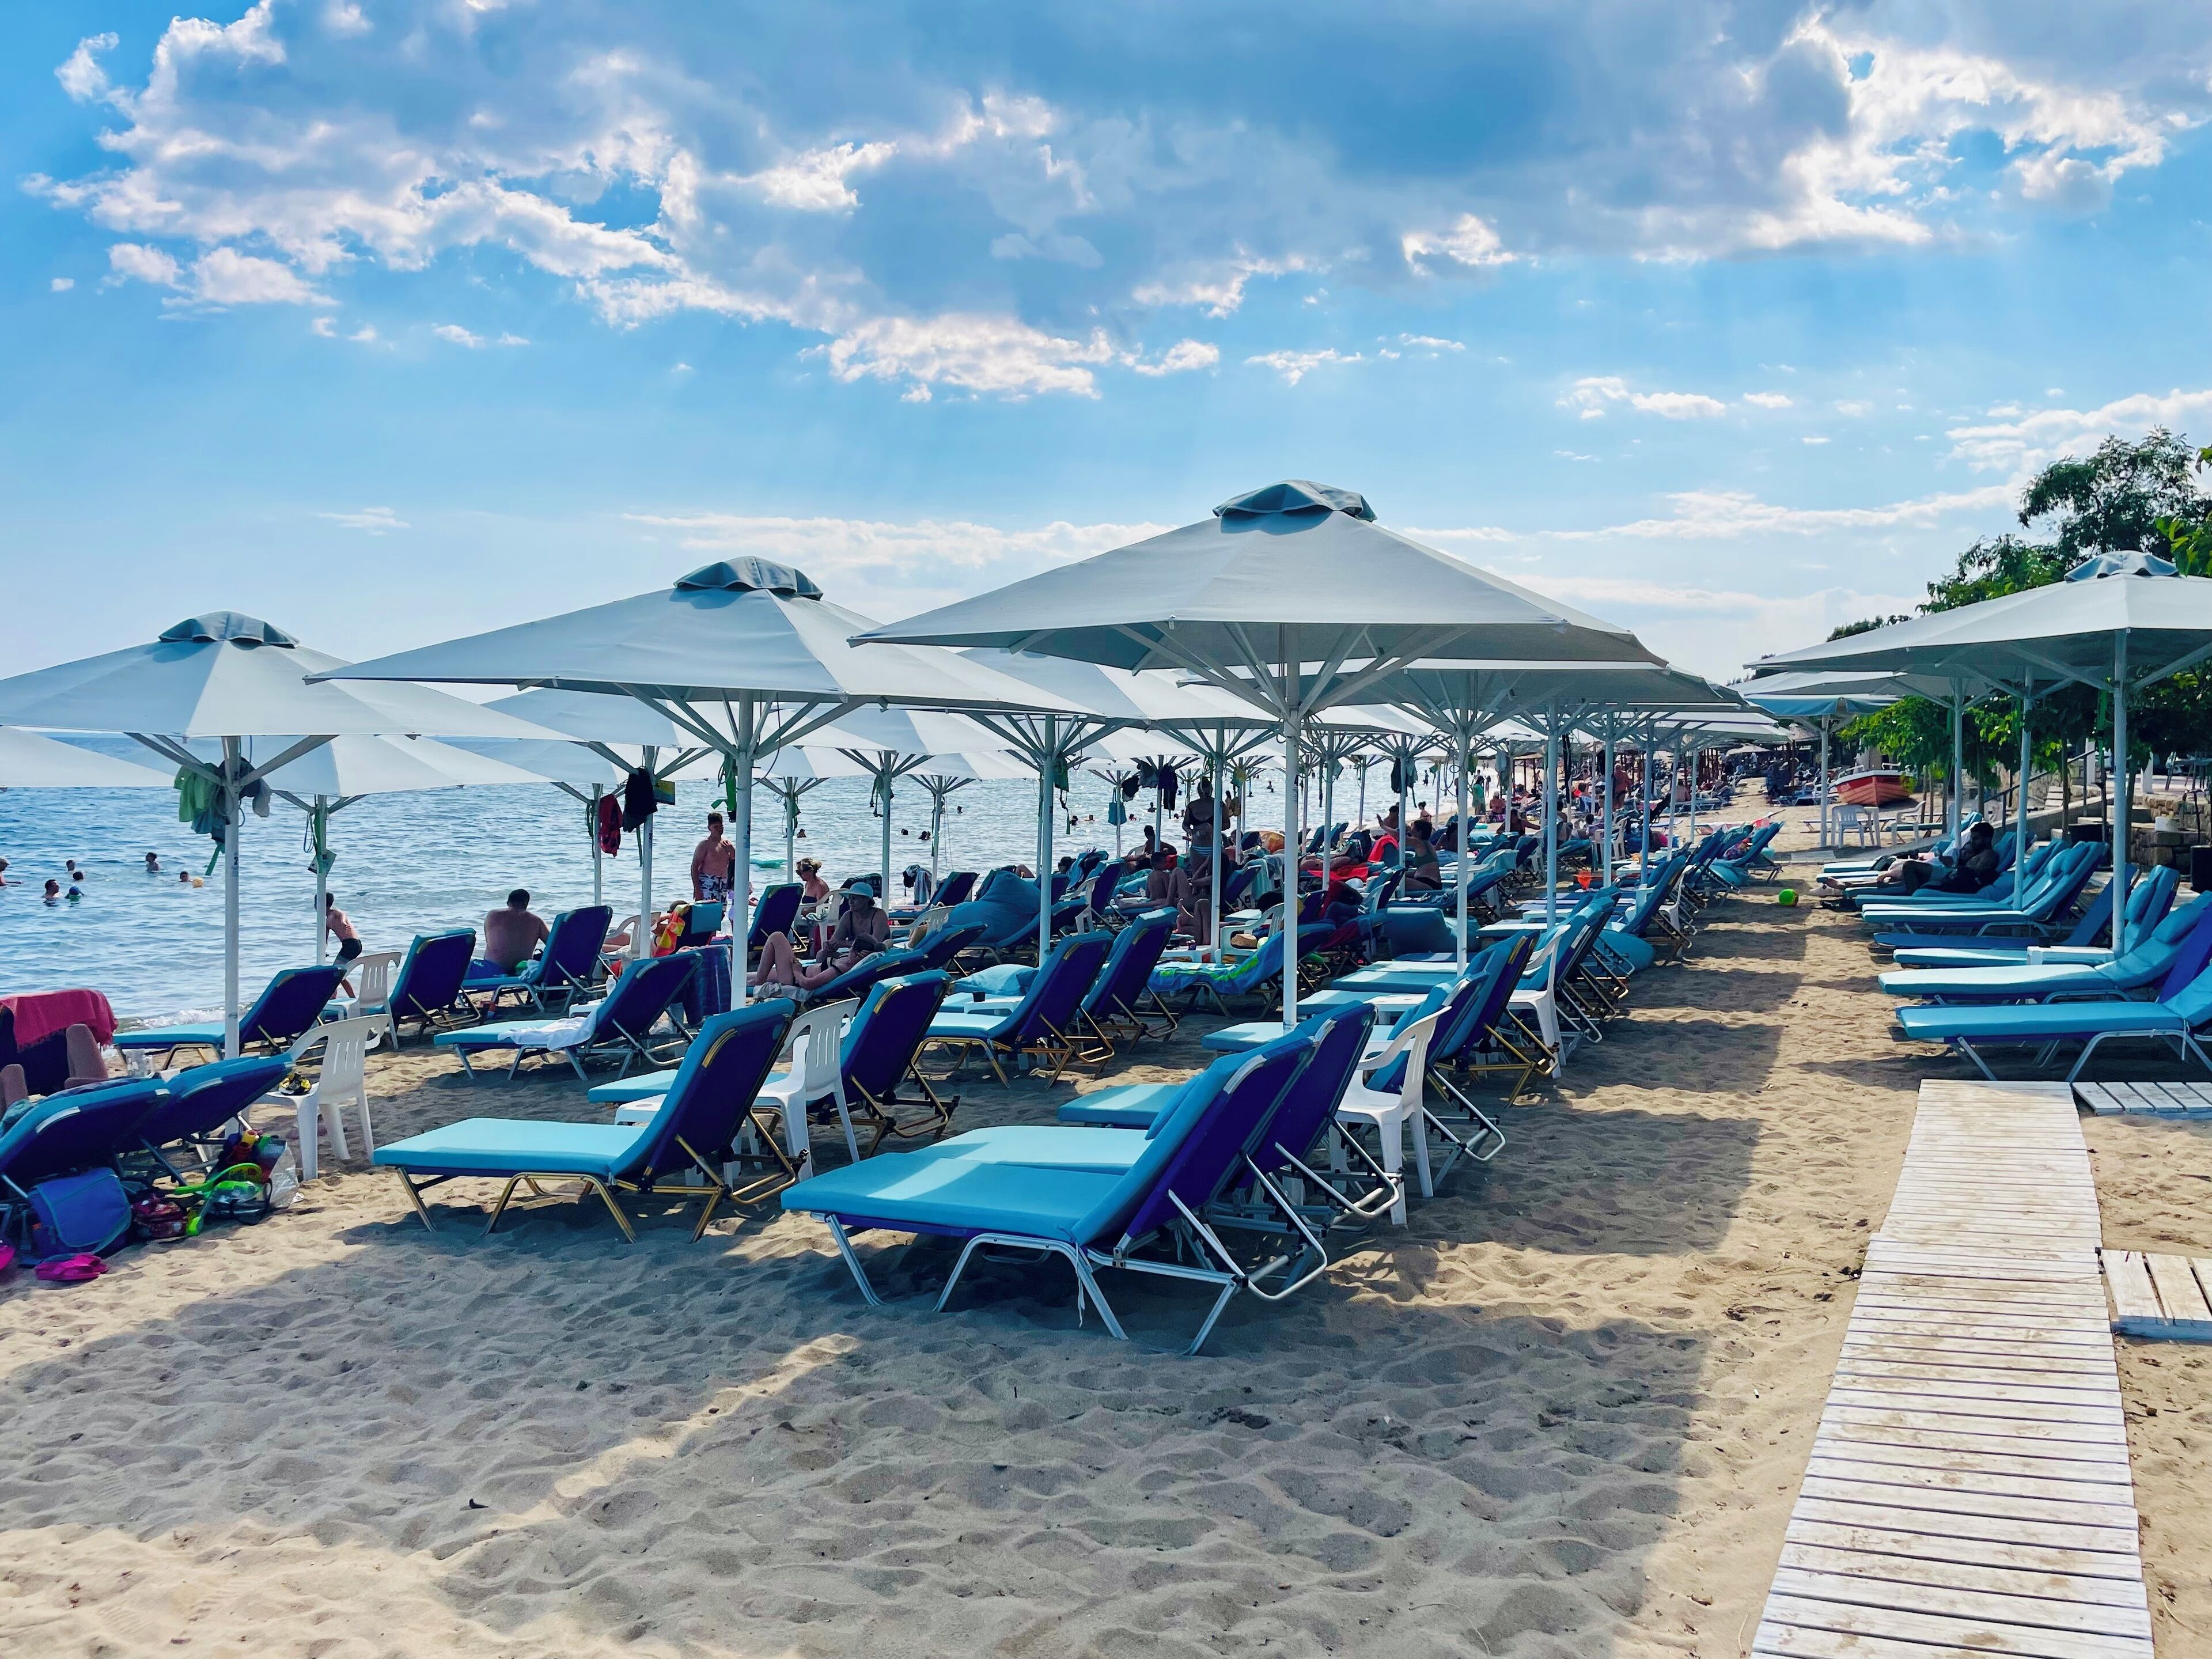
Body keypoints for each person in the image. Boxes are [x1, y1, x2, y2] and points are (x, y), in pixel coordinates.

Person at [752, 888, 888, 991]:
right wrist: (831, 945)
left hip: (794, 979)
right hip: (801, 973)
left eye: (855, 898)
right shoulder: (853, 960)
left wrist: (797, 971)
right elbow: (836, 943)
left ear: (866, 900)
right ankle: (752, 983)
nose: (850, 901)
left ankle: (758, 987)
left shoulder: (843, 966)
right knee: (756, 976)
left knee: (777, 937)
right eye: (850, 898)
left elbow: (808, 984)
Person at [482, 888, 550, 974]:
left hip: (493, 968)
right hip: (521, 969)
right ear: (526, 903)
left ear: (508, 903)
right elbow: (552, 944)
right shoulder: (537, 921)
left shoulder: (493, 915)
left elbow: (489, 941)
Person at [691, 812, 736, 905]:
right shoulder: (705, 845)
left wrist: (732, 851)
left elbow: (736, 863)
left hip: (723, 882)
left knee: (721, 912)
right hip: (708, 881)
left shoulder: (727, 844)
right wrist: (697, 889)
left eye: (721, 827)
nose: (719, 829)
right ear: (709, 828)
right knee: (707, 910)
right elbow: (694, 867)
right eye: (716, 827)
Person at [320, 892, 363, 965]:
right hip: (347, 945)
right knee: (339, 970)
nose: (315, 905)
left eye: (316, 903)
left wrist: (343, 922)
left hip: (352, 943)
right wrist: (323, 950)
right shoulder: (326, 923)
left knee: (337, 969)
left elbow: (342, 914)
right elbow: (325, 940)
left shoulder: (334, 913)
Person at [1401, 824, 1441, 893]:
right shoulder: (1427, 844)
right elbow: (1421, 871)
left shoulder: (1419, 843)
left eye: (1413, 831)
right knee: (1397, 877)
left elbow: (1400, 838)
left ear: (1420, 833)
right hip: (1430, 882)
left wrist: (1384, 827)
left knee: (1397, 881)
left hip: (1429, 884)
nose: (1411, 832)